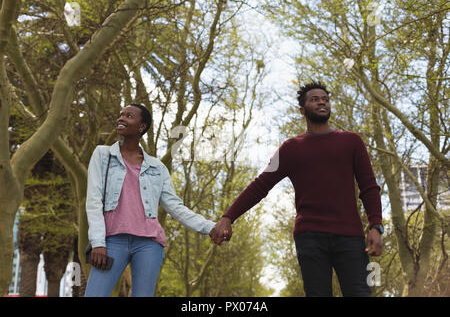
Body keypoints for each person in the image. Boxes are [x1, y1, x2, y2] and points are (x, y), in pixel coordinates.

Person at [210, 82, 383, 297]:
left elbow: (369, 187)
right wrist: (228, 217)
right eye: (314, 99)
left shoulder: (352, 142)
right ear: (302, 110)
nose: (322, 101)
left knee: (360, 293)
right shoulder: (290, 149)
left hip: (350, 236)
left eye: (325, 99)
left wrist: (376, 225)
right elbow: (260, 185)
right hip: (310, 238)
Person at [84, 104, 216, 297]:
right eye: (120, 115)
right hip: (111, 241)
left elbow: (175, 207)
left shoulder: (158, 168)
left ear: (141, 126)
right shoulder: (103, 155)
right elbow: (94, 200)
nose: (121, 118)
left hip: (149, 244)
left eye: (128, 116)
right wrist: (97, 242)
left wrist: (209, 227)